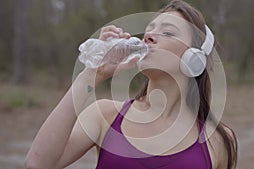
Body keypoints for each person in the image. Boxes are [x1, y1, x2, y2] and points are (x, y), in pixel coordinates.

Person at [25, 0, 237, 169]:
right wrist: (92, 74)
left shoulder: (218, 140)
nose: (149, 37)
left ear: (195, 58)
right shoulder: (106, 116)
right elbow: (38, 163)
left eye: (168, 32)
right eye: (149, 30)